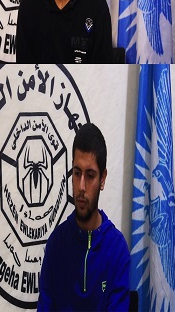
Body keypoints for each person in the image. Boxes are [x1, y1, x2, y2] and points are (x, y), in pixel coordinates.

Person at [38, 123, 129, 311]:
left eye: (90, 176)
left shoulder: (117, 249)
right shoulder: (56, 244)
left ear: (102, 179)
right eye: (77, 173)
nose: (81, 187)